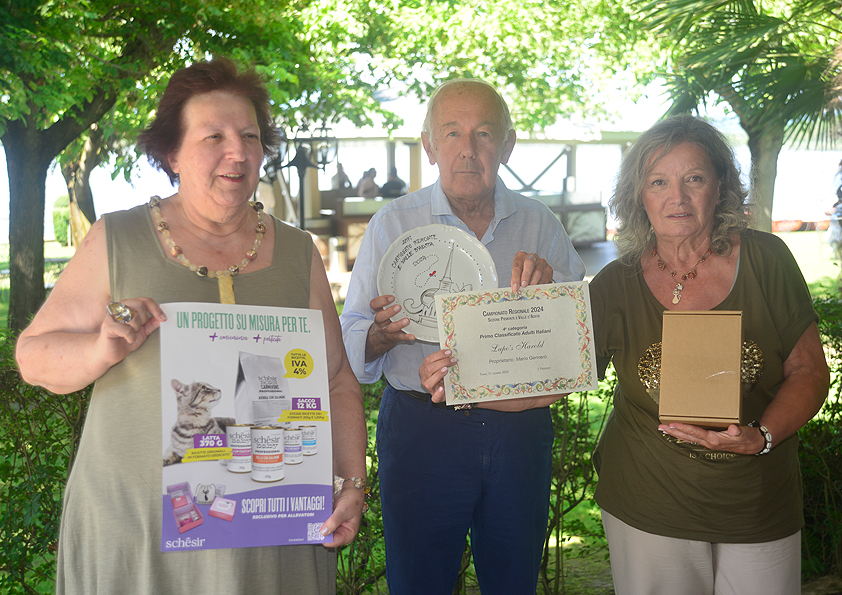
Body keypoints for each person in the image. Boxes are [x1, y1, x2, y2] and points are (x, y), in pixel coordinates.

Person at [15, 57, 366, 595]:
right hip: (138, 537)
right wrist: (99, 349)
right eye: (214, 136)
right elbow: (33, 356)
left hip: (270, 534)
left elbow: (336, 380)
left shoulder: (299, 252)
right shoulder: (118, 239)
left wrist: (352, 481)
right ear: (171, 153)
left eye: (250, 136)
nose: (238, 151)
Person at [339, 79, 585, 594]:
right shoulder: (392, 224)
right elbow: (352, 342)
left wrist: (551, 299)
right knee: (418, 583)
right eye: (451, 133)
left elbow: (576, 339)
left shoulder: (539, 224)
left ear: (507, 145)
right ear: (429, 146)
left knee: (514, 581)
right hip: (422, 431)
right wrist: (383, 336)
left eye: (484, 133)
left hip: (519, 432)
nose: (468, 150)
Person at [589, 115, 829, 595]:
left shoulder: (767, 260)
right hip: (648, 500)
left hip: (757, 500)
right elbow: (557, 374)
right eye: (658, 182)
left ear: (720, 187)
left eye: (694, 178)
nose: (677, 197)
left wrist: (762, 436)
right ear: (639, 196)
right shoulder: (615, 284)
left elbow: (808, 371)